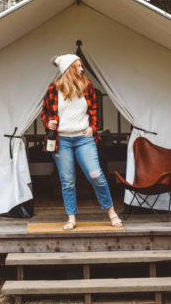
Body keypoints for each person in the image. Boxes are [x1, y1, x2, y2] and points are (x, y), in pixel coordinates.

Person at [41, 54, 123, 231]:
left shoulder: (87, 86)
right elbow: (45, 112)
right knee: (68, 181)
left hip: (83, 139)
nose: (81, 69)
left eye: (81, 66)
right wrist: (49, 122)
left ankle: (111, 212)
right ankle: (71, 218)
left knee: (97, 176)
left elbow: (94, 109)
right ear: (68, 69)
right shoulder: (53, 90)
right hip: (61, 141)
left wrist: (93, 127)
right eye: (78, 66)